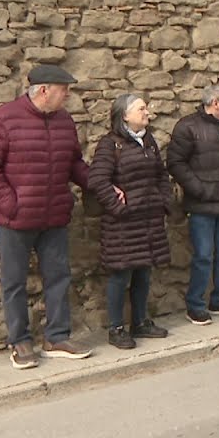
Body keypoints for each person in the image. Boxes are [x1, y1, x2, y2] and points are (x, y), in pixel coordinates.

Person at [0, 64, 94, 368]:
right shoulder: (3, 118)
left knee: (59, 278)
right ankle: (20, 342)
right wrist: (12, 203)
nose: (68, 95)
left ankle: (56, 337)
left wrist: (100, 184)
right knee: (14, 282)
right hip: (15, 220)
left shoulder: (64, 120)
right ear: (43, 90)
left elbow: (74, 163)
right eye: (64, 90)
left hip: (54, 216)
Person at [87, 94, 173, 349]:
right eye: (141, 109)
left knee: (143, 272)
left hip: (149, 220)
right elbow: (98, 181)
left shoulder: (148, 141)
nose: (148, 113)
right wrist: (119, 208)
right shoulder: (110, 145)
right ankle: (116, 328)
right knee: (120, 275)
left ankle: (140, 322)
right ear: (124, 115)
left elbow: (161, 174)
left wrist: (164, 201)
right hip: (123, 224)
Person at [167, 84, 219, 325]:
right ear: (216, 103)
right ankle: (195, 305)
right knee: (202, 255)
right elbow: (176, 163)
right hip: (202, 205)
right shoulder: (188, 127)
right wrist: (200, 189)